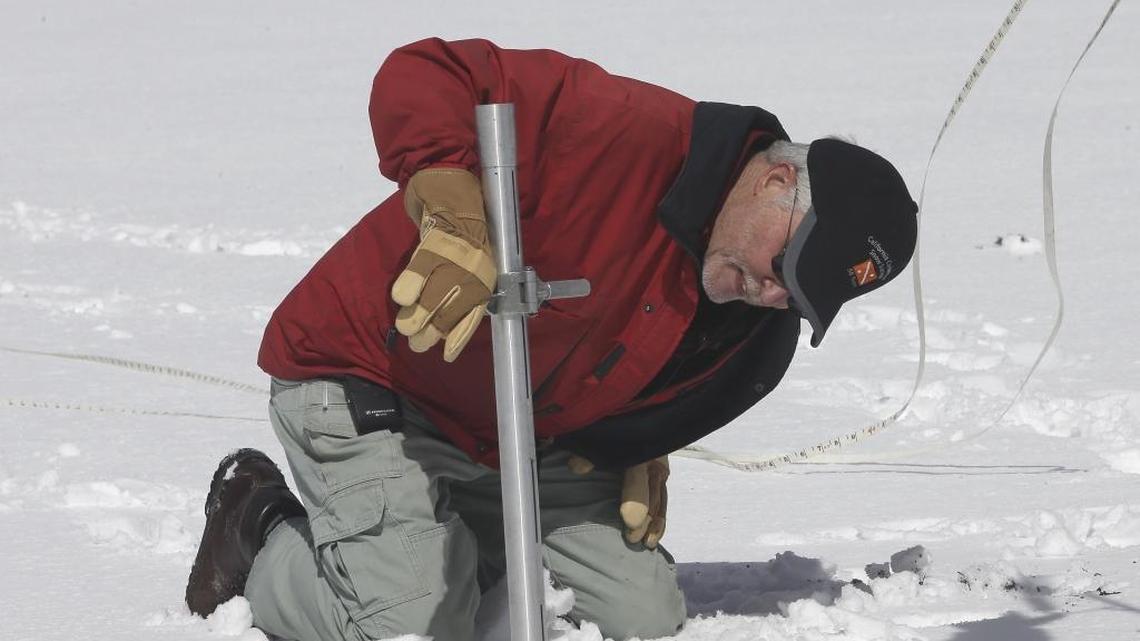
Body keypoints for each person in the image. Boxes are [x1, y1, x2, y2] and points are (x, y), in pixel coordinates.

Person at [184, 37, 918, 641]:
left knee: (644, 617)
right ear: (773, 181)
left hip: (509, 435)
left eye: (801, 293)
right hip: (363, 376)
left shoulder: (754, 340)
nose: (773, 295)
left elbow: (637, 378)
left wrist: (634, 447)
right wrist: (446, 191)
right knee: (416, 625)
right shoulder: (622, 128)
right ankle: (258, 530)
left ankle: (434, 542)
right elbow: (429, 70)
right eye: (783, 266)